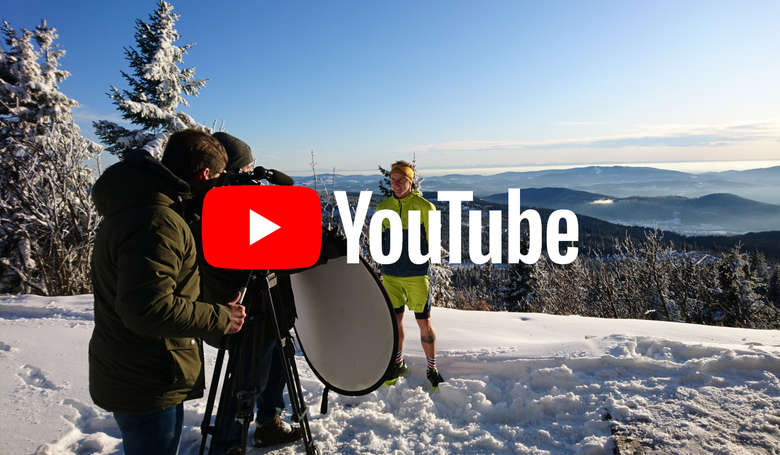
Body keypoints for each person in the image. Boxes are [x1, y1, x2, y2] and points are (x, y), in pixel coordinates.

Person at [89, 129, 247, 455]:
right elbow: (148, 308)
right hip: (149, 376)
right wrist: (219, 316)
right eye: (217, 178)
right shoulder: (157, 222)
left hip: (137, 367)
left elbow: (158, 288)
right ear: (204, 174)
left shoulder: (137, 206)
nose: (219, 184)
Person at [194, 132, 301, 454]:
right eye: (246, 168)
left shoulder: (233, 202)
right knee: (246, 377)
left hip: (267, 306)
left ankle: (269, 421)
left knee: (279, 356)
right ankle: (228, 443)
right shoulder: (210, 205)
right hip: (243, 306)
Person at [377, 160, 445, 389]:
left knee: (423, 322)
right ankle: (398, 364)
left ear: (410, 181)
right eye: (392, 180)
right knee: (394, 322)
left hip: (416, 275)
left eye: (401, 180)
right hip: (391, 275)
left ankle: (432, 367)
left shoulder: (425, 207)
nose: (395, 184)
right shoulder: (383, 207)